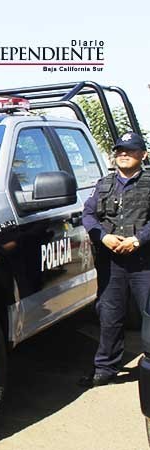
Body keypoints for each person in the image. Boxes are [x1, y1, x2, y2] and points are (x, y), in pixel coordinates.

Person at [80, 132, 150, 387]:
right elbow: (88, 215)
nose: (124, 154)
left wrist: (138, 240)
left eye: (130, 150)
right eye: (120, 150)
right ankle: (105, 369)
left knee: (149, 315)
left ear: (143, 155)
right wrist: (102, 237)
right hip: (112, 262)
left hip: (144, 261)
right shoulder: (104, 184)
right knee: (110, 315)